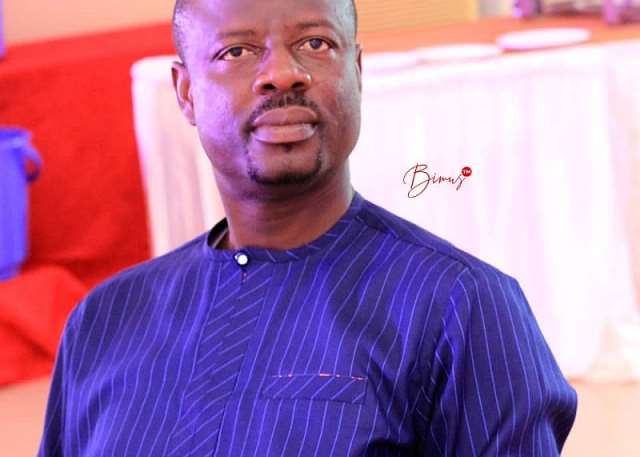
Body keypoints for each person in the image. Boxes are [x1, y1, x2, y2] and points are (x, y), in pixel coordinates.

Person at [38, 0, 577, 455]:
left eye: (315, 44)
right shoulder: (105, 320)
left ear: (357, 73)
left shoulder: (460, 306)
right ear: (186, 92)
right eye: (237, 51)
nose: (282, 73)